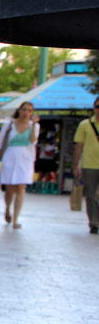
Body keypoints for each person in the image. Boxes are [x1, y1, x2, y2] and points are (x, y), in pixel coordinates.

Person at [0, 102, 38, 229]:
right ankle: (7, 208)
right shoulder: (9, 124)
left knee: (21, 187)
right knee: (10, 188)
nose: (26, 113)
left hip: (26, 158)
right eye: (24, 109)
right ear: (19, 110)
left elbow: (33, 141)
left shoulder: (34, 126)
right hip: (10, 156)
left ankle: (15, 219)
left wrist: (33, 126)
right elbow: (0, 143)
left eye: (29, 110)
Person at [73, 96, 99, 235]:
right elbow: (79, 146)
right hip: (89, 165)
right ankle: (94, 222)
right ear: (94, 108)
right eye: (97, 106)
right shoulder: (85, 124)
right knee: (91, 194)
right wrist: (75, 165)